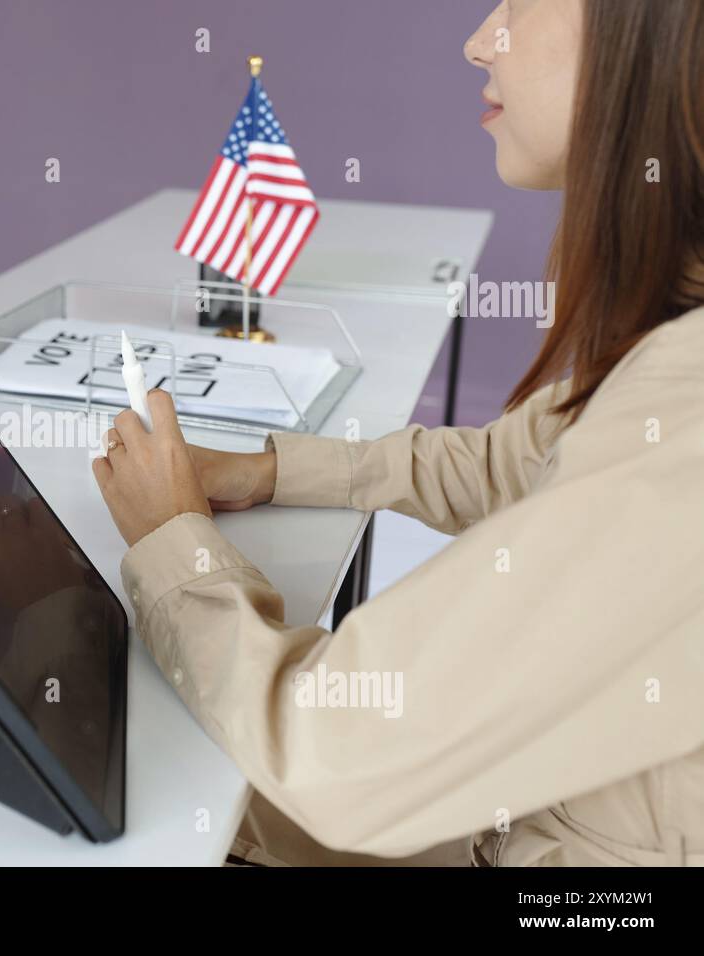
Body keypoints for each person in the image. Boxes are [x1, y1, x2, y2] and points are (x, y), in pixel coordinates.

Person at [93, 0, 704, 866]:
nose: (480, 39)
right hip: (559, 821)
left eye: (523, 5)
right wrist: (268, 471)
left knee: (158, 794)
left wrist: (174, 546)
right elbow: (516, 461)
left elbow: (329, 750)